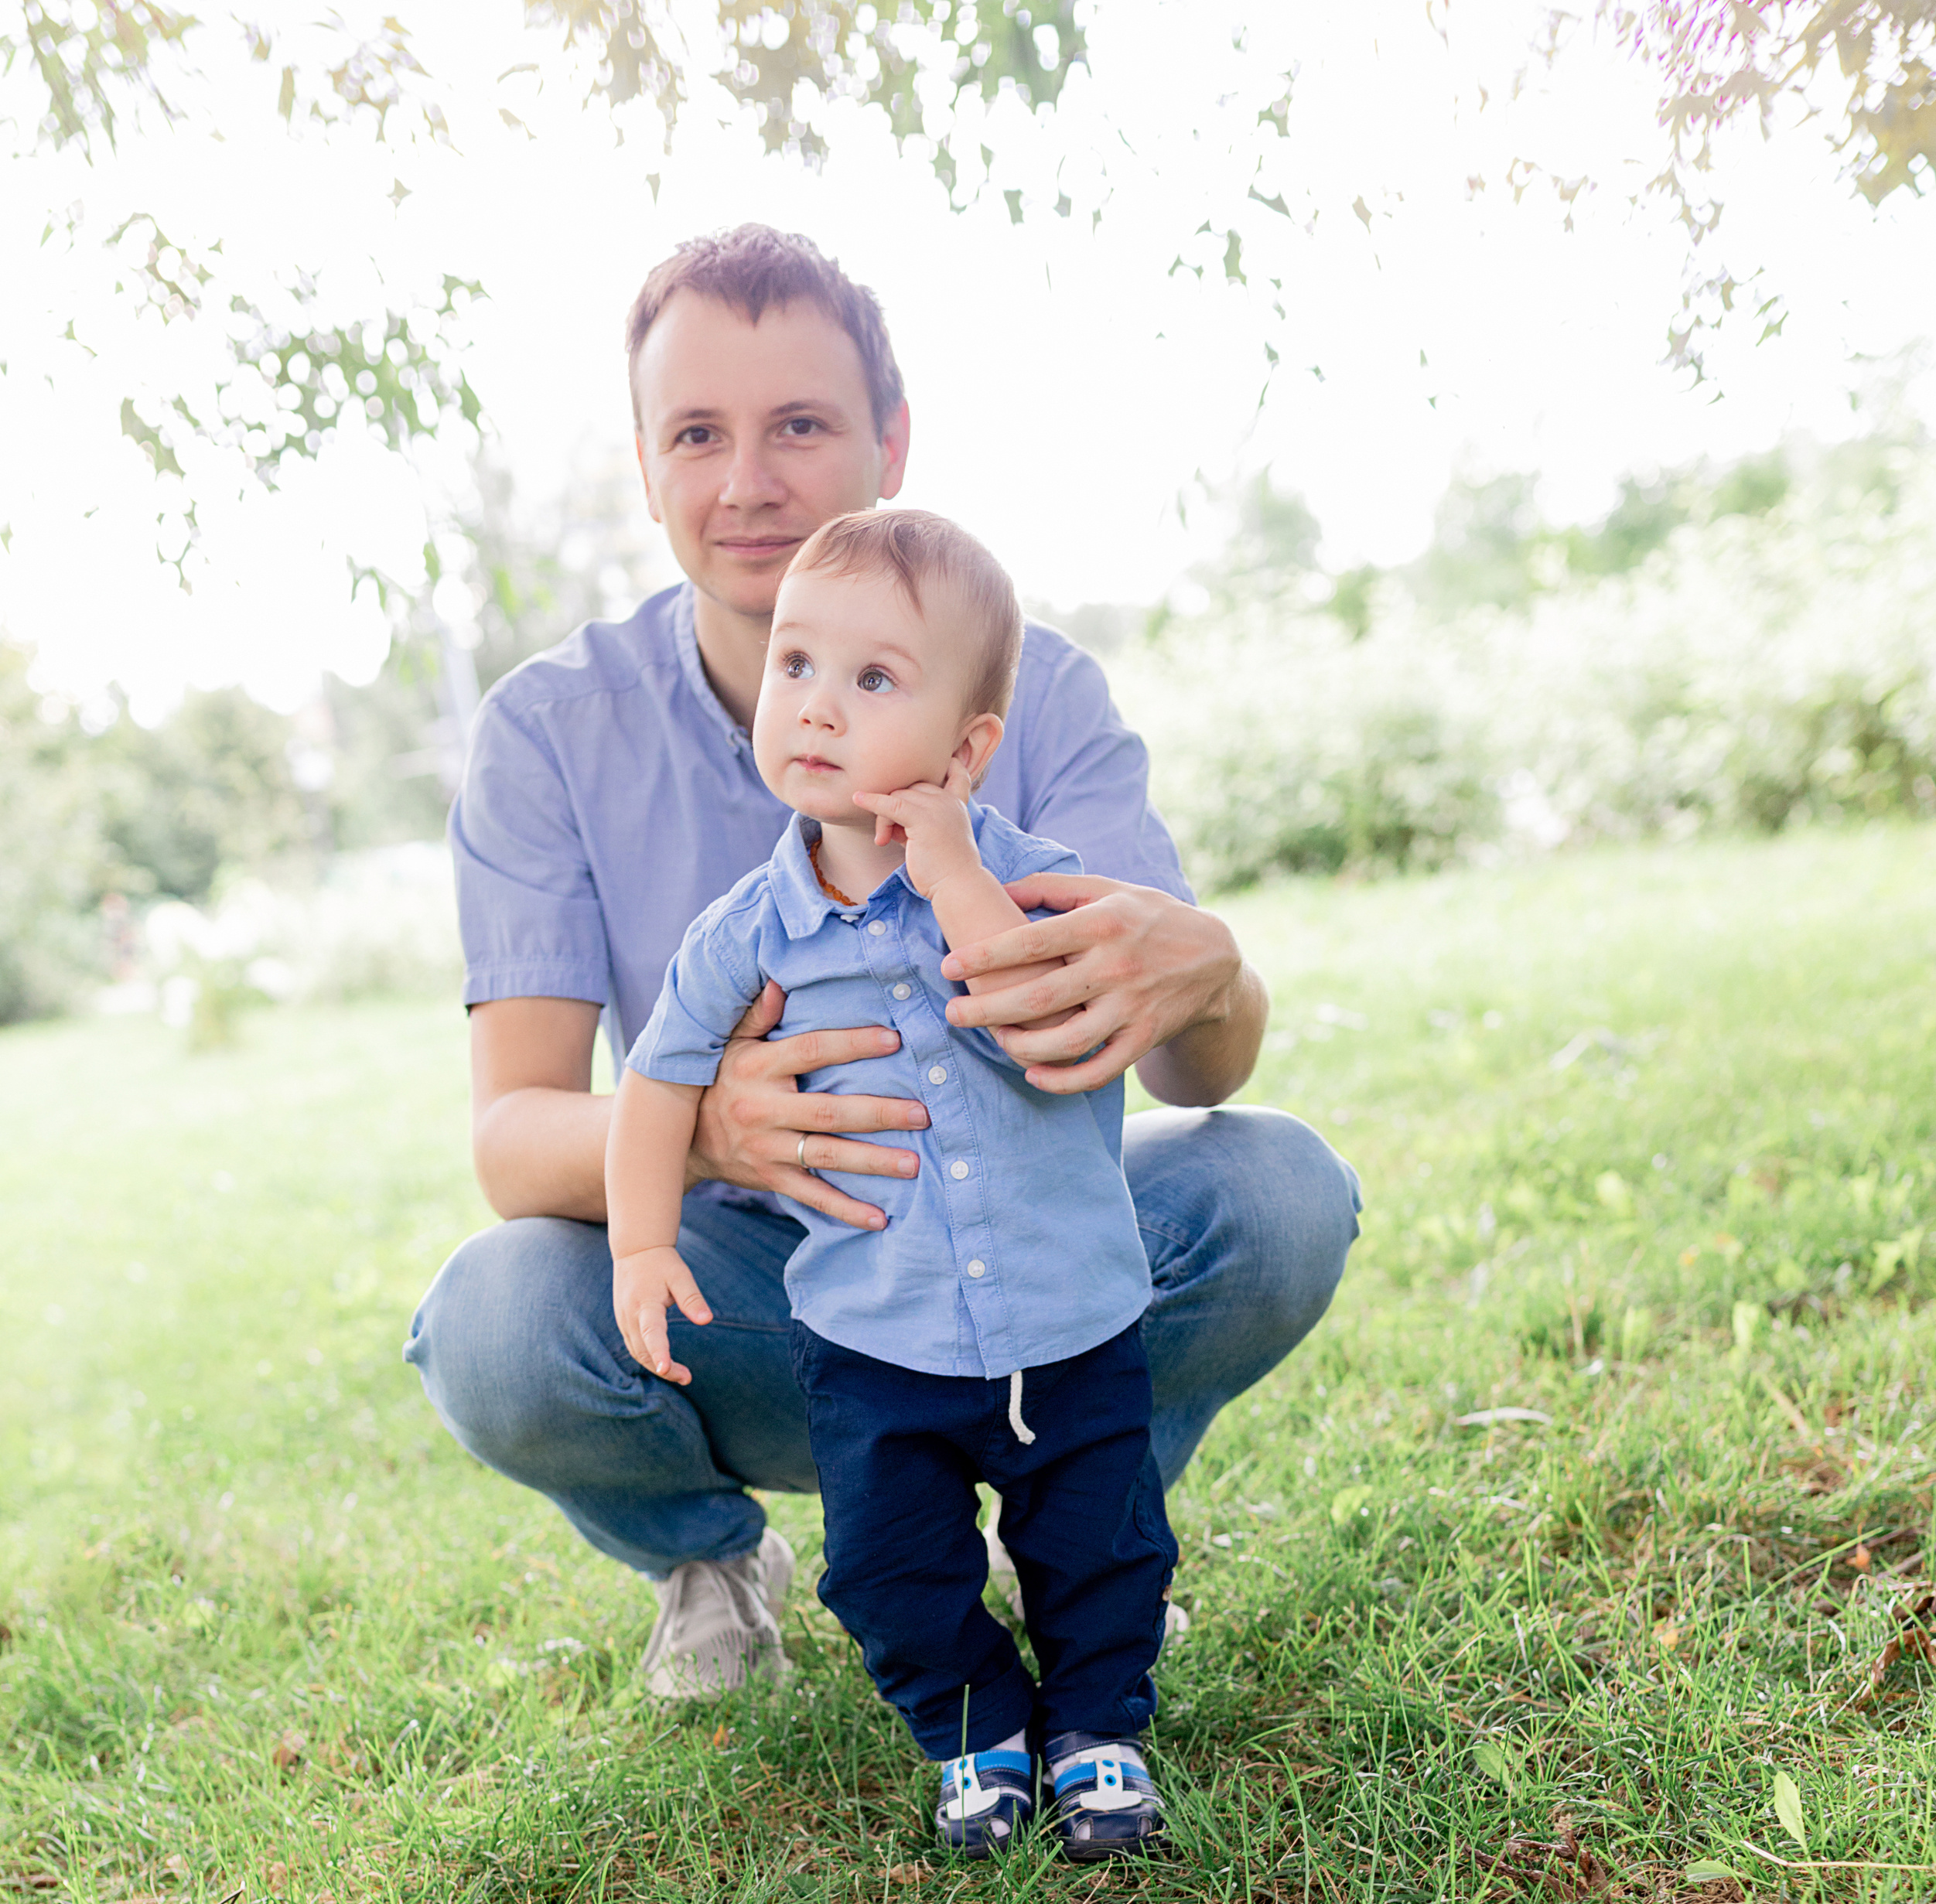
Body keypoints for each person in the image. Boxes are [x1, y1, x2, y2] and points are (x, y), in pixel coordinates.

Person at [404, 222, 1361, 1713]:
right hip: (757, 1300)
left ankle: (1085, 1531)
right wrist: (711, 1125)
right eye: (697, 435)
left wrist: (1215, 970)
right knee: (499, 1321)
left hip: (1038, 1263)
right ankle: (712, 1559)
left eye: (799, 424)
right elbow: (513, 1134)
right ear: (648, 469)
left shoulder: (1028, 690)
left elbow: (1195, 1063)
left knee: (1274, 1186)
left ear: (891, 441)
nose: (747, 481)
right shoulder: (550, 731)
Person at [609, 507, 1176, 1858]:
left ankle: (1097, 1734)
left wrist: (956, 870)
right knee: (888, 1566)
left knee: (1100, 1543)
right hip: (878, 1331)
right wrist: (639, 1245)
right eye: (796, 666)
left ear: (970, 748)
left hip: (1065, 1315)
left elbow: (1030, 1019)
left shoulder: (1034, 883)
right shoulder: (749, 930)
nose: (816, 705)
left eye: (874, 680)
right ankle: (978, 1738)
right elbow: (656, 1083)